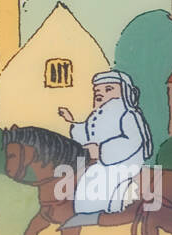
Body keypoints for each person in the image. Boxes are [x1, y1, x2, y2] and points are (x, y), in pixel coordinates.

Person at [58, 70, 154, 223]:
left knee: (103, 183)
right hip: (102, 163)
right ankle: (88, 216)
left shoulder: (127, 114)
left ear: (124, 91)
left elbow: (133, 141)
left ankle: (110, 216)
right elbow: (88, 136)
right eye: (98, 91)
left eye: (108, 89)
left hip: (123, 162)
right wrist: (73, 123)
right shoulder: (97, 115)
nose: (101, 94)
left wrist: (101, 150)